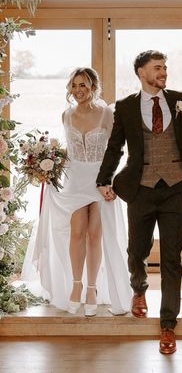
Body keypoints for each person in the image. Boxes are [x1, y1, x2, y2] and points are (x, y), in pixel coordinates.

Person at [96, 50, 182, 353]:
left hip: (175, 189)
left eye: (165, 68)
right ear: (141, 72)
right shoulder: (127, 106)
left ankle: (168, 325)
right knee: (137, 250)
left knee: (172, 258)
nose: (163, 72)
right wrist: (104, 179)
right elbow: (115, 146)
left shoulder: (181, 98)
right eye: (157, 68)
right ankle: (139, 288)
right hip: (141, 190)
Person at [21, 67, 132, 316]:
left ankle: (92, 289)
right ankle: (76, 285)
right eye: (74, 85)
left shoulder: (107, 114)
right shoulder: (66, 116)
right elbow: (66, 151)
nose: (78, 90)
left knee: (95, 235)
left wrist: (112, 181)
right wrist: (47, 167)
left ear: (93, 87)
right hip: (74, 181)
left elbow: (115, 150)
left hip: (101, 180)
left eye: (83, 85)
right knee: (77, 233)